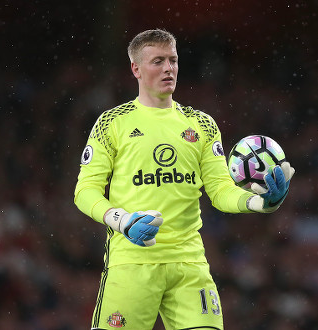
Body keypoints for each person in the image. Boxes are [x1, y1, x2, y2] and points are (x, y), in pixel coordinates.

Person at [74, 29, 294, 330]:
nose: (168, 68)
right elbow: (85, 190)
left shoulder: (201, 124)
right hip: (131, 264)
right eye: (158, 61)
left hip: (189, 266)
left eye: (173, 60)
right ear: (136, 69)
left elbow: (220, 191)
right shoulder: (113, 123)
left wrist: (260, 202)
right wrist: (121, 220)